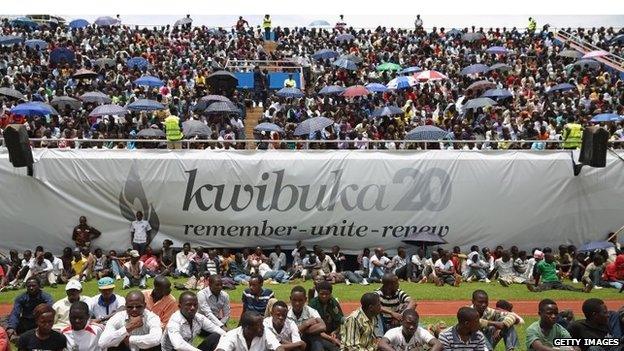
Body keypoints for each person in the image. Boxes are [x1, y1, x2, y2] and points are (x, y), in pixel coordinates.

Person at [161, 291, 226, 351]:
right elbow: (178, 345)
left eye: (195, 305)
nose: (192, 308)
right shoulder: (174, 321)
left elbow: (216, 329)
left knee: (216, 336)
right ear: (179, 306)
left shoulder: (199, 318)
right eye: (189, 305)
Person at [98, 291, 162, 351]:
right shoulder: (118, 317)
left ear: (145, 305)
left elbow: (156, 339)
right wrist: (128, 328)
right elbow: (102, 343)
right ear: (125, 306)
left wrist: (130, 339)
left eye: (138, 306)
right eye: (130, 307)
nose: (134, 309)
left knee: (156, 346)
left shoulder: (152, 318)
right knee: (112, 343)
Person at [288, 285, 337, 351]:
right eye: (294, 300)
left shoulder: (311, 311)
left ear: (305, 299)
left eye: (300, 300)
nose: (297, 303)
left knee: (319, 338)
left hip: (307, 341)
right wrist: (306, 324)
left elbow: (322, 326)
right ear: (290, 299)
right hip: (290, 342)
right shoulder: (285, 312)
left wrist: (304, 331)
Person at [215, 311, 284, 351]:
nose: (263, 327)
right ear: (247, 328)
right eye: (259, 326)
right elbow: (221, 349)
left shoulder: (265, 332)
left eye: (262, 324)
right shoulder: (231, 335)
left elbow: (278, 347)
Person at [378, 309, 443, 351]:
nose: (412, 327)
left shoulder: (421, 332)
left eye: (415, 324)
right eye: (408, 323)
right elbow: (382, 344)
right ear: (402, 322)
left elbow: (438, 344)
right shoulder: (394, 332)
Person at [527, 252, 592, 293]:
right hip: (547, 281)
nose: (553, 259)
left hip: (556, 281)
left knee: (567, 287)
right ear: (546, 258)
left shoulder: (552, 263)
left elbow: (561, 265)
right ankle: (534, 289)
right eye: (551, 258)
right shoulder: (540, 264)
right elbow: (538, 275)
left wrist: (570, 264)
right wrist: (536, 284)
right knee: (543, 287)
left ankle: (584, 290)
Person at [308, 281, 343, 346]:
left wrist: (335, 332)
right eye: (321, 294)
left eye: (327, 294)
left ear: (331, 293)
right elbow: (312, 329)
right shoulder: (313, 304)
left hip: (333, 333)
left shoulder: (333, 302)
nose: (324, 296)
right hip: (319, 335)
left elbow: (340, 321)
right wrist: (330, 338)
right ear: (318, 293)